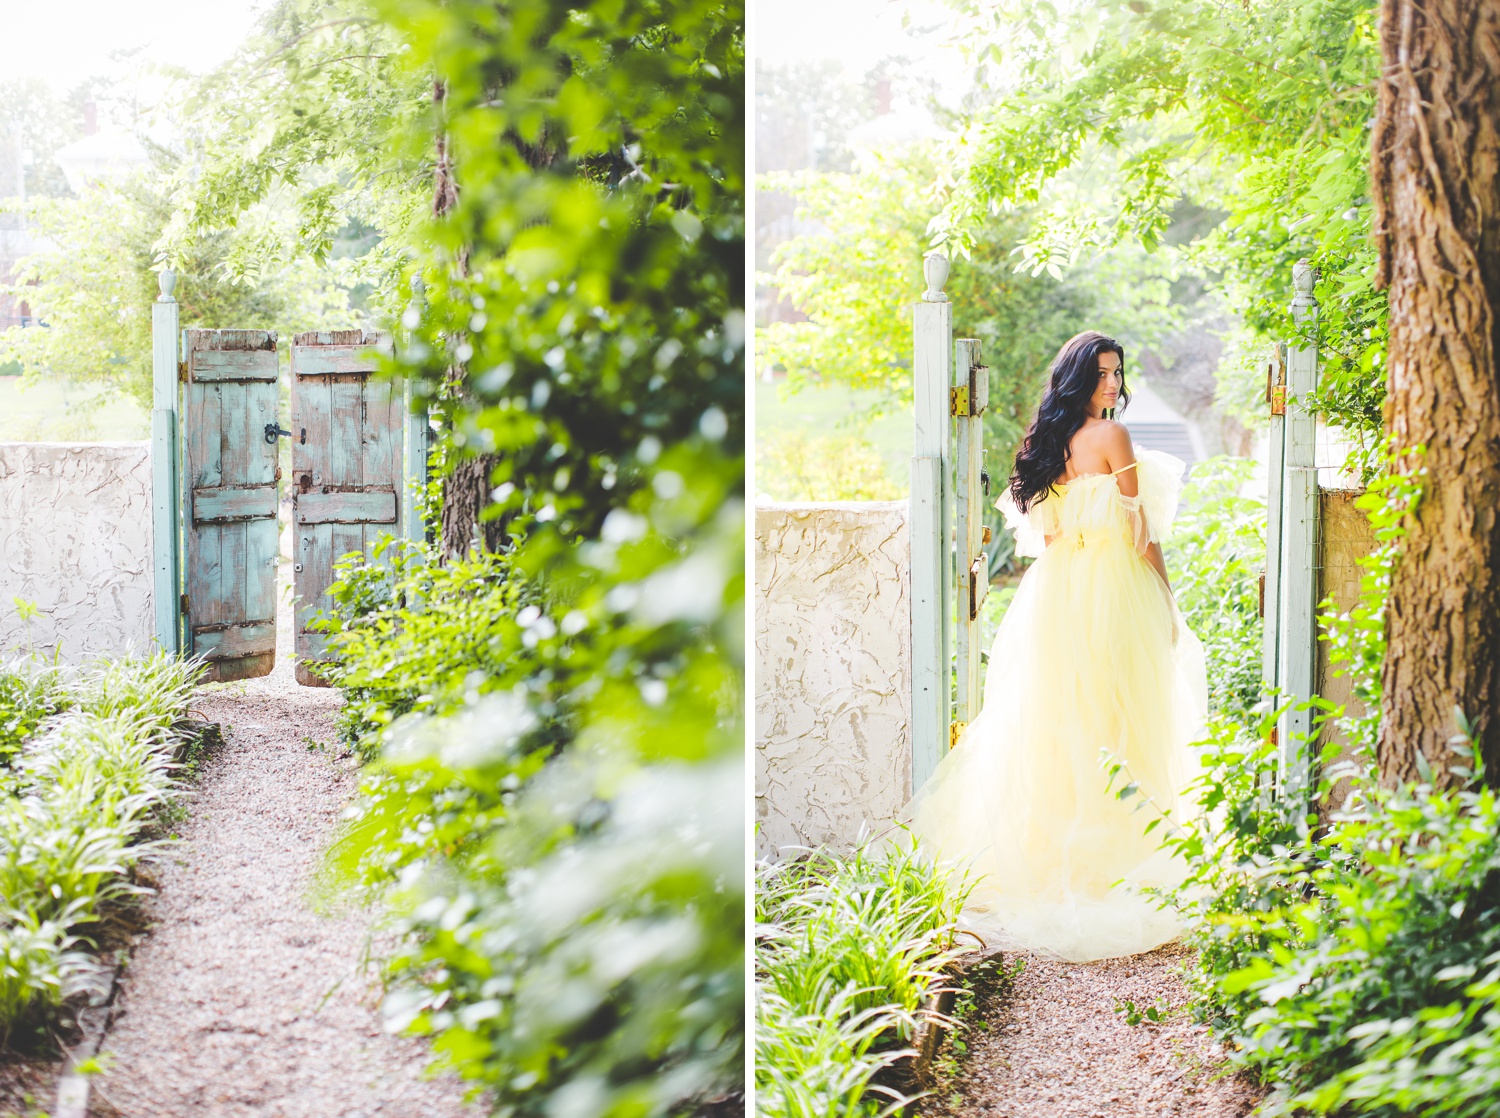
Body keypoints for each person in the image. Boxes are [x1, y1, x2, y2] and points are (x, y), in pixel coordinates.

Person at [903, 330, 1208, 962]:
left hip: (1056, 589)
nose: (1111, 386)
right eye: (1101, 374)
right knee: (1117, 717)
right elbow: (1139, 530)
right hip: (1108, 585)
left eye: (1117, 375)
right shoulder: (1113, 437)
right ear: (1078, 377)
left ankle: (1052, 856)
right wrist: (1165, 597)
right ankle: (1114, 855)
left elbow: (1046, 535)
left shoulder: (1045, 442)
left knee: (1060, 719)